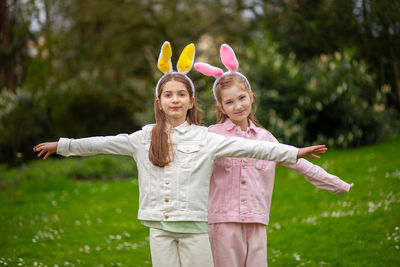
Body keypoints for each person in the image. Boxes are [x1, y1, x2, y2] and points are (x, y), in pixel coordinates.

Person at [34, 42, 328, 267]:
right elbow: (102, 143)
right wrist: (62, 146)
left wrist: (295, 152)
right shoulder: (143, 138)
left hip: (196, 230)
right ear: (158, 102)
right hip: (158, 228)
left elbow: (255, 148)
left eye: (181, 94)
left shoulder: (207, 138)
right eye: (168, 95)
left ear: (191, 101)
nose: (174, 99)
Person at [195, 44, 354, 267]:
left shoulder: (266, 138)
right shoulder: (211, 136)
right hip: (223, 223)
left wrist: (338, 184)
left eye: (241, 98)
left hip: (257, 221)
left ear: (251, 96)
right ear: (220, 106)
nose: (238, 106)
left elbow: (301, 165)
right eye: (229, 102)